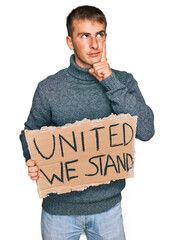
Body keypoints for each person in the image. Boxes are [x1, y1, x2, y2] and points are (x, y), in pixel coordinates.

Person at [20, 5, 154, 240]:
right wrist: (32, 159)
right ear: (70, 42)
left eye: (99, 34)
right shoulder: (49, 88)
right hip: (59, 211)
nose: (94, 44)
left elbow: (146, 130)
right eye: (84, 36)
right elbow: (30, 132)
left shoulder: (122, 81)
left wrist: (110, 81)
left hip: (108, 210)